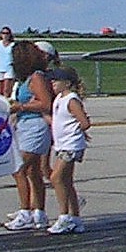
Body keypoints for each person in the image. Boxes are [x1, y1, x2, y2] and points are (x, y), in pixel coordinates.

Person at [4, 40, 55, 230]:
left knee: (19, 168)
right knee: (33, 172)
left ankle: (25, 211)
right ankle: (39, 213)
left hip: (35, 126)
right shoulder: (26, 79)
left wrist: (21, 106)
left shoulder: (36, 78)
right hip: (25, 125)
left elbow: (45, 103)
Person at [46, 67, 91, 233]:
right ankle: (76, 218)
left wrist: (77, 132)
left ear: (67, 83)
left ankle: (64, 216)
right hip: (62, 144)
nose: (52, 83)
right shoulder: (59, 98)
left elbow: (84, 122)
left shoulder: (71, 100)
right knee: (66, 181)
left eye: (56, 81)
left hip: (70, 145)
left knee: (55, 178)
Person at [0, 27, 17, 98]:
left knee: (6, 89)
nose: (5, 35)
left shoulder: (13, 45)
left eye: (7, 33)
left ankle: (6, 104)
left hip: (9, 68)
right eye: (3, 33)